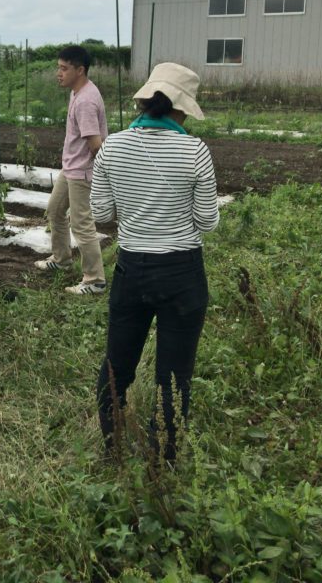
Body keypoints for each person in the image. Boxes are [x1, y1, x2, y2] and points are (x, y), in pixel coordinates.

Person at [89, 62, 219, 462]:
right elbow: (208, 222)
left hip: (132, 268)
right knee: (174, 375)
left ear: (145, 101)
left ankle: (111, 445)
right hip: (182, 272)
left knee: (118, 364)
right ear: (182, 108)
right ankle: (163, 457)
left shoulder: (112, 147)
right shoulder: (195, 151)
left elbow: (101, 212)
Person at [34, 45, 108, 295]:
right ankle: (62, 259)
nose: (59, 73)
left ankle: (95, 280)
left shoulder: (85, 101)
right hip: (71, 168)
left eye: (64, 69)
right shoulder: (78, 92)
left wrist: (103, 173)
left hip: (82, 172)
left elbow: (96, 145)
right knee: (55, 210)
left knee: (81, 224)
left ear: (80, 70)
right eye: (59, 67)